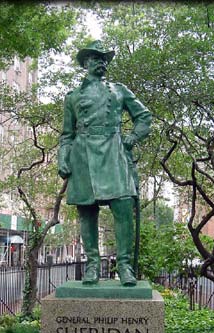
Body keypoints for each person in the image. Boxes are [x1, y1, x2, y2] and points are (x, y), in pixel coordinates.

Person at [58, 40, 152, 286]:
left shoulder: (119, 90)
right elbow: (66, 135)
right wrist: (62, 158)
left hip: (114, 152)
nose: (102, 62)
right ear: (86, 62)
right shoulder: (73, 97)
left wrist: (132, 137)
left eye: (105, 58)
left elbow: (144, 116)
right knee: (87, 211)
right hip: (82, 155)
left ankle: (124, 266)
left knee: (123, 208)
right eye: (97, 57)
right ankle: (91, 265)